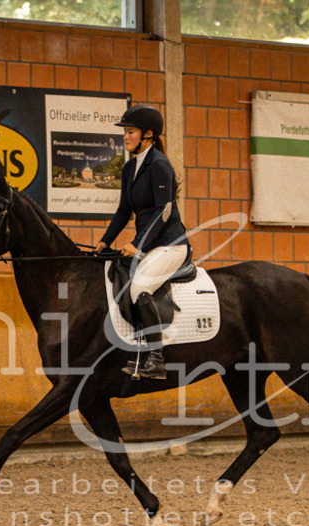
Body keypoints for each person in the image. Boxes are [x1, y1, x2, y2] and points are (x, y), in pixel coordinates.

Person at [94, 104, 188, 380]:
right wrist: (105, 240)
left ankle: (156, 358)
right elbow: (125, 209)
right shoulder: (130, 167)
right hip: (150, 243)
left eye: (130, 131)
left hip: (171, 244)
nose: (125, 137)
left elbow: (165, 211)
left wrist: (138, 244)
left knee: (139, 288)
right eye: (125, 131)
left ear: (147, 134)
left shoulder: (159, 164)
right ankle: (134, 348)